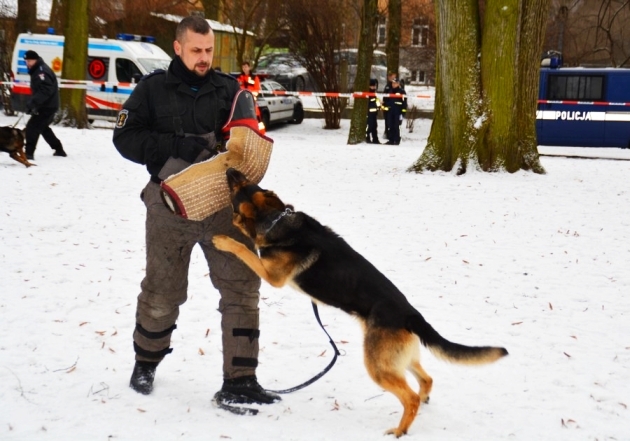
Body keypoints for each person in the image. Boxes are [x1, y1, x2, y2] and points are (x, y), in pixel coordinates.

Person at [112, 15, 280, 407]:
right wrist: (174, 146)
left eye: (208, 51)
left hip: (223, 207)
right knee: (162, 293)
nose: (204, 58)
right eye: (196, 51)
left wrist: (250, 138)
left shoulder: (228, 89)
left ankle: (241, 381)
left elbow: (248, 131)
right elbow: (125, 137)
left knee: (242, 289)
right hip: (169, 207)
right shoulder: (151, 90)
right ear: (178, 47)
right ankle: (146, 363)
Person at [22, 50, 66, 160]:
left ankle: (28, 153)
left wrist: (32, 103)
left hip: (47, 106)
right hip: (46, 105)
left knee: (32, 127)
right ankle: (59, 149)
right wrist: (34, 105)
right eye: (26, 61)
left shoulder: (41, 71)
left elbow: (45, 91)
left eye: (30, 60)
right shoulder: (37, 70)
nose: (28, 63)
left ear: (36, 60)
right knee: (42, 127)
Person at [382, 77, 407, 145]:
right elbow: (386, 100)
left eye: (395, 83)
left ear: (398, 84)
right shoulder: (389, 91)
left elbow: (404, 103)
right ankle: (391, 140)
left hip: (398, 112)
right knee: (390, 125)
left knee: (396, 126)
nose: (393, 84)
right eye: (393, 83)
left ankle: (397, 140)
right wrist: (384, 107)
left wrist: (403, 113)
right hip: (390, 111)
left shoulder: (402, 91)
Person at [381, 72, 397, 141]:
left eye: (394, 77)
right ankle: (387, 132)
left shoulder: (396, 85)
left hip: (393, 106)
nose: (393, 78)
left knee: (392, 121)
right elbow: (385, 95)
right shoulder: (388, 85)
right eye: (392, 77)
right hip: (386, 105)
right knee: (387, 120)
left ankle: (391, 134)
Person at [365, 78, 381, 144]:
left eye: (374, 86)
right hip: (369, 113)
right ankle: (367, 138)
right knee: (369, 126)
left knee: (374, 126)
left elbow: (377, 101)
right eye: (372, 86)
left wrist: (379, 106)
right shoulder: (368, 93)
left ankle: (375, 139)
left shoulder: (375, 93)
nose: (374, 87)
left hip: (374, 113)